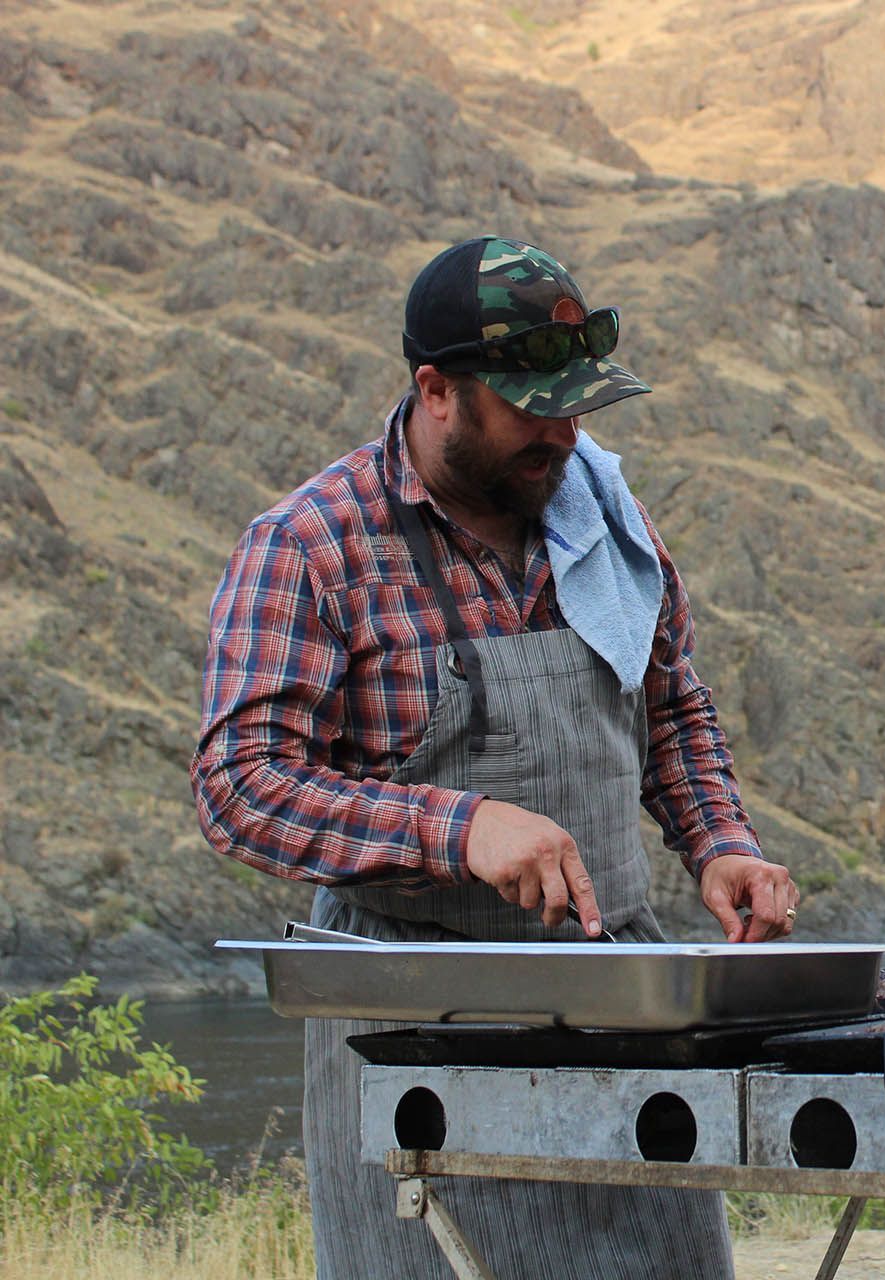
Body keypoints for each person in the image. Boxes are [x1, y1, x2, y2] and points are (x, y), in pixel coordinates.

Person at [192, 235, 796, 1278]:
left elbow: (672, 706)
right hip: (410, 1024)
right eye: (530, 404)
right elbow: (241, 786)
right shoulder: (309, 546)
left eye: (576, 404)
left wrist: (718, 844)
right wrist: (453, 825)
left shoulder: (603, 516)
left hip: (615, 1012)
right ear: (435, 390)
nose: (563, 432)